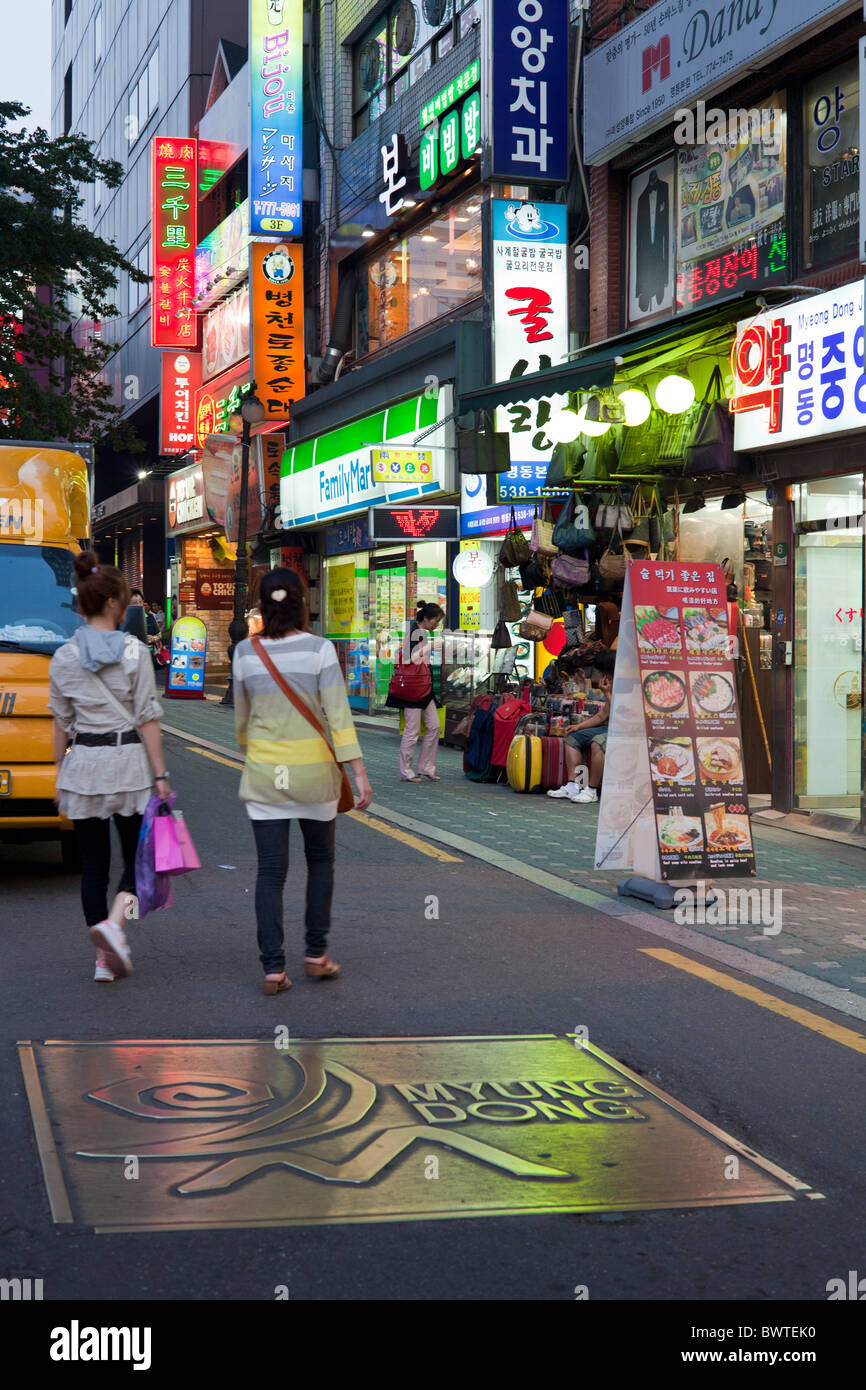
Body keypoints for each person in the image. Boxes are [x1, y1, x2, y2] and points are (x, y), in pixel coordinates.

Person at [233, 568, 373, 994]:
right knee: (321, 861)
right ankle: (316, 954)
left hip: (265, 776)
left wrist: (259, 752)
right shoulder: (320, 650)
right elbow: (339, 717)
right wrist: (359, 773)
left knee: (270, 872)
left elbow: (242, 723)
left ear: (262, 604)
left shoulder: (244, 653)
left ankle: (273, 968)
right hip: (315, 774)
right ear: (301, 603)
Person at [48, 552, 171, 982]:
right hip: (129, 765)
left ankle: (103, 961)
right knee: (141, 860)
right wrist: (160, 775)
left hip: (83, 767)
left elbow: (61, 724)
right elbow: (147, 718)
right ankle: (116, 924)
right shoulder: (136, 653)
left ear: (82, 603)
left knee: (93, 866)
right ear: (116, 603)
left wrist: (57, 775)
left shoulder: (64, 657)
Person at [386, 601, 445, 782]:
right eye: (435, 620)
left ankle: (426, 767)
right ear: (426, 619)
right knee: (412, 730)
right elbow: (407, 659)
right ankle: (406, 770)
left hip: (422, 686)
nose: (437, 624)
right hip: (413, 688)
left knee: (434, 726)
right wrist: (429, 647)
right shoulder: (414, 634)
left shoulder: (421, 634)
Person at [547, 651, 615, 804]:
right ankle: (575, 785)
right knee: (573, 738)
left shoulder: (626, 685)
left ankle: (591, 790)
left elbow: (619, 713)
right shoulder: (611, 683)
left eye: (603, 672)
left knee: (597, 742)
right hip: (609, 728)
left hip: (625, 730)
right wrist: (578, 726)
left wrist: (607, 693)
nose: (601, 675)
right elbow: (603, 715)